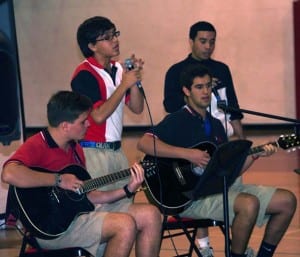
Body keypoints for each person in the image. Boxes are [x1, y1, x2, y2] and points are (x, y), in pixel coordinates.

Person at [137, 64, 297, 257]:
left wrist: (255, 155)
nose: (206, 91)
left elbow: (229, 171)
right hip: (191, 197)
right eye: (199, 87)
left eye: (208, 86)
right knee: (249, 204)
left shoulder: (216, 125)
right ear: (186, 91)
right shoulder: (177, 119)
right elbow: (145, 143)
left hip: (219, 189)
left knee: (287, 201)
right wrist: (187, 154)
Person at [1, 91, 162, 257]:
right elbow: (9, 174)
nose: (89, 125)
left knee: (151, 215)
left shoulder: (75, 148)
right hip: (52, 228)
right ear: (65, 126)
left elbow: (89, 195)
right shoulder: (37, 144)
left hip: (78, 213)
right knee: (124, 224)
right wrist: (58, 179)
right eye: (83, 121)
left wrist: (127, 189)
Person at [70, 16, 162, 256]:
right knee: (102, 218)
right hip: (92, 153)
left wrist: (133, 80)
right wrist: (124, 85)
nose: (115, 40)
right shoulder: (84, 74)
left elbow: (138, 108)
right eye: (108, 37)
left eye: (115, 34)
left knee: (126, 214)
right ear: (92, 45)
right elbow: (97, 116)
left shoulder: (120, 69)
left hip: (116, 152)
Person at [163, 21, 245, 256]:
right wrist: (199, 91)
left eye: (212, 41)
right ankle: (203, 245)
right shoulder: (176, 70)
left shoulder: (222, 68)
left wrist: (240, 137)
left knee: (232, 188)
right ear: (191, 41)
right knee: (203, 190)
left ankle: (236, 241)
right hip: (193, 140)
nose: (208, 46)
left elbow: (233, 106)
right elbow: (169, 105)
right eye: (203, 41)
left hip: (222, 136)